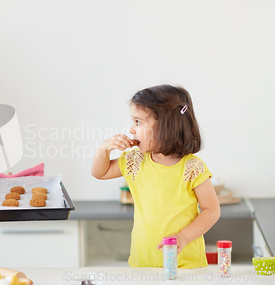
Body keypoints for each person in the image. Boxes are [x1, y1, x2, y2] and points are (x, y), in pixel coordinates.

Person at [91, 84, 220, 268]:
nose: (132, 130)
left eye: (138, 122)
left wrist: (184, 237)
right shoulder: (135, 160)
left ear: (166, 126)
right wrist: (104, 148)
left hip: (185, 265)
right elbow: (100, 173)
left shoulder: (192, 167)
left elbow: (211, 210)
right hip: (143, 262)